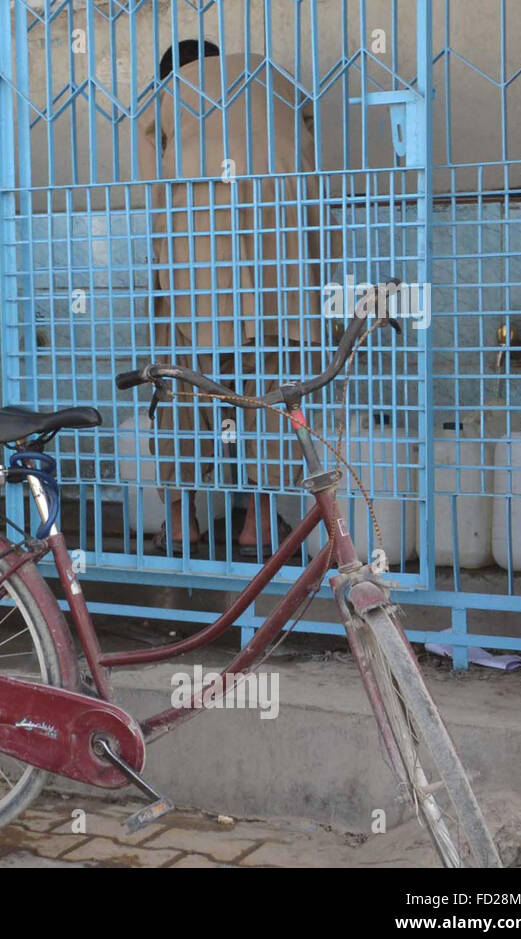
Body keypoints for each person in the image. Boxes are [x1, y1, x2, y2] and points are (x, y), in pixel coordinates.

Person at [144, 41, 332, 555]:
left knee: (177, 381)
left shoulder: (169, 98)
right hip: (279, 261)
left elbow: (154, 191)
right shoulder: (276, 86)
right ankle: (260, 525)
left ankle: (181, 522)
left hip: (196, 263)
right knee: (270, 385)